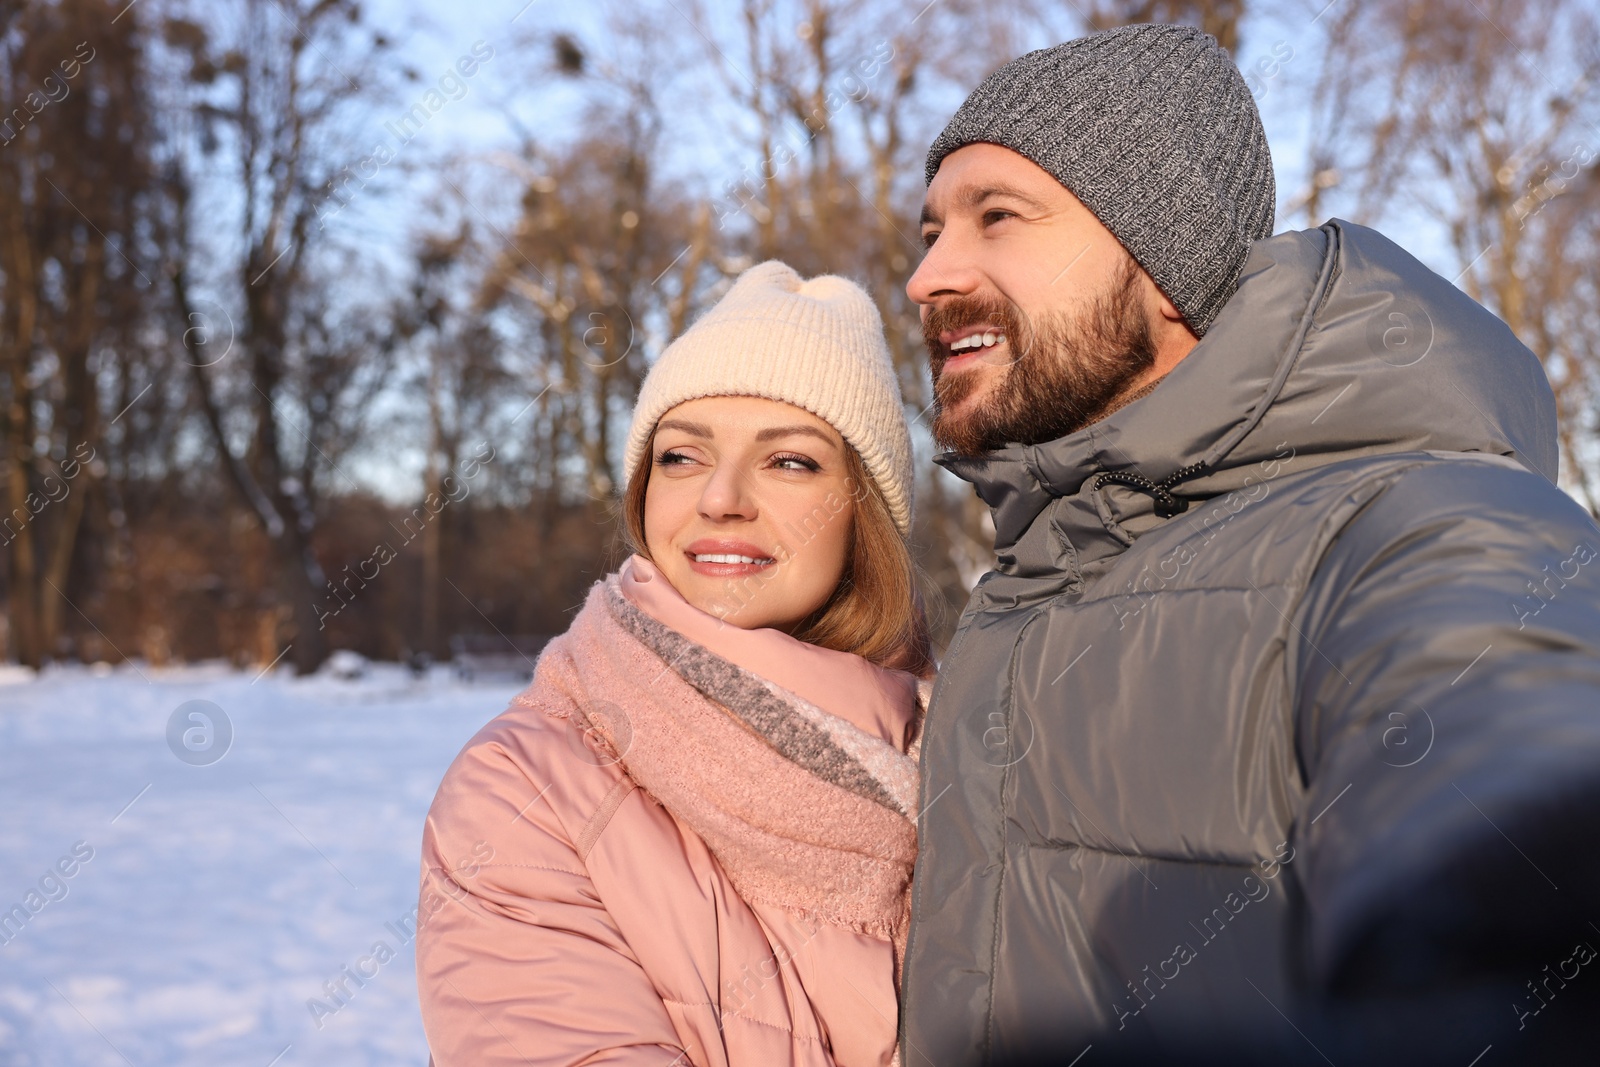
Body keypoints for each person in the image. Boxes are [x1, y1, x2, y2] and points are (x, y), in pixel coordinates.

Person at [898, 22, 1600, 1066]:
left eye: (997, 215)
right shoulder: (1034, 575)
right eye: (929, 231)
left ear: (1166, 261)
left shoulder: (1408, 524)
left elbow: (1506, 737)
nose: (927, 276)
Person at [415, 261, 933, 1067]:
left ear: (862, 508)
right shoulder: (522, 793)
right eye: (681, 457)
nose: (720, 497)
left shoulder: (976, 756)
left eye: (789, 460)